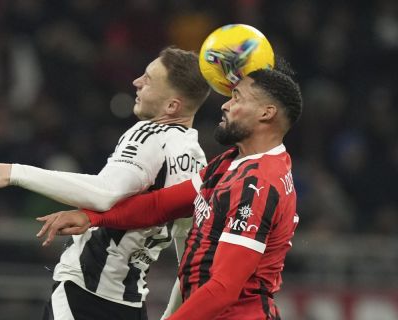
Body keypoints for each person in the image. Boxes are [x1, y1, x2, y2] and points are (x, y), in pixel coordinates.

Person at [0, 46, 211, 320]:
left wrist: (13, 172)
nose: (136, 82)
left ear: (172, 106)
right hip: (130, 306)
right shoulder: (197, 161)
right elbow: (191, 257)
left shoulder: (149, 134)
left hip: (85, 297)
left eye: (148, 79)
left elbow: (104, 192)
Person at [35, 66, 303, 319]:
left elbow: (223, 287)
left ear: (266, 113)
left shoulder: (258, 184)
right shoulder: (230, 163)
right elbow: (160, 205)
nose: (225, 105)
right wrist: (93, 218)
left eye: (237, 98)